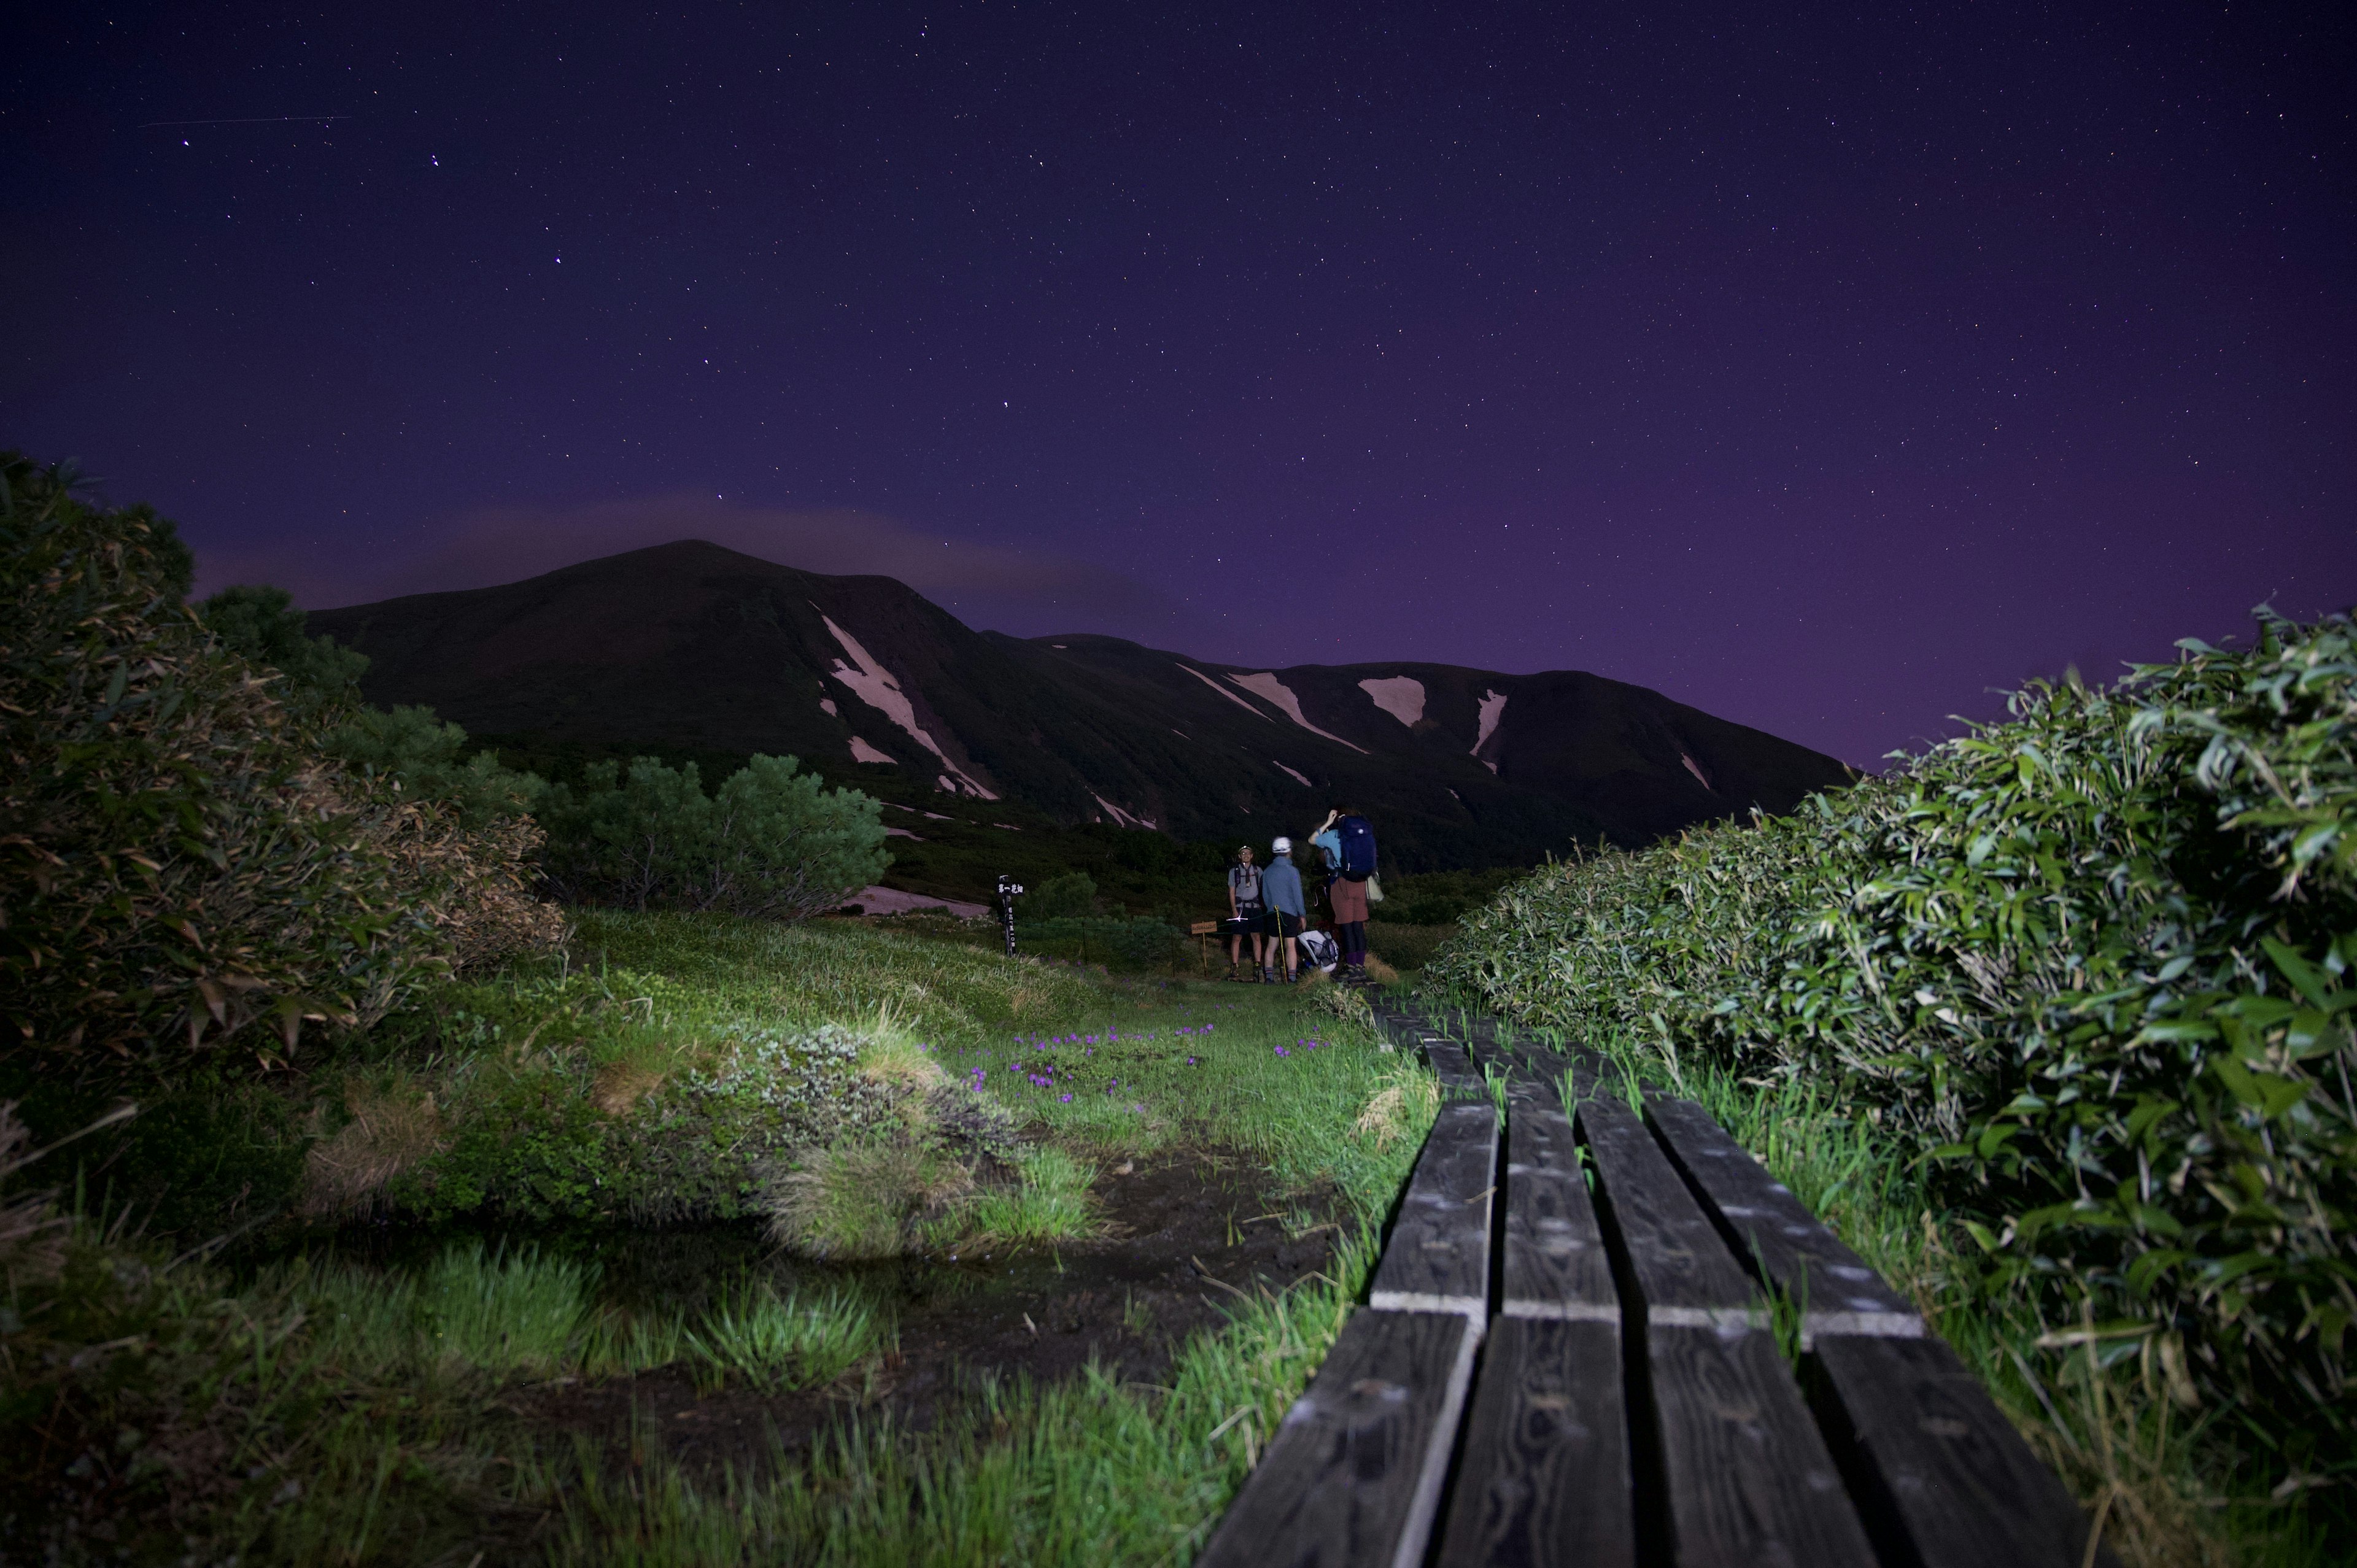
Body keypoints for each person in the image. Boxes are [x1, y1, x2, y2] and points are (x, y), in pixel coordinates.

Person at [1324, 803, 1375, 983]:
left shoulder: (1334, 835)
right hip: (1361, 882)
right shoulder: (1362, 834)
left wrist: (1327, 823)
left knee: (1347, 928)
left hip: (1342, 883)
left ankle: (1352, 968)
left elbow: (1313, 840)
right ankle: (1361, 967)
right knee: (1358, 928)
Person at [1260, 836, 1307, 983]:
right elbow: (1297, 895)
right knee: (1290, 945)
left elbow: (1265, 895)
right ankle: (1292, 978)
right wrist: (1302, 914)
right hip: (1290, 913)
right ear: (1288, 851)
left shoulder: (1267, 871)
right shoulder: (1292, 871)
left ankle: (1268, 978)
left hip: (1273, 912)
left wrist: (1270, 908)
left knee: (1271, 945)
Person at [1224, 844, 1267, 981]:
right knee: (1237, 937)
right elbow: (1232, 892)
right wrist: (1234, 910)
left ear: (1252, 856)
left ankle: (1257, 965)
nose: (1246, 855)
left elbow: (1264, 889)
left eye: (1248, 853)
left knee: (1256, 937)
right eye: (1243, 853)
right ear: (1239, 856)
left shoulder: (1258, 870)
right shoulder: (1234, 871)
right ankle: (1235, 966)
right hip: (1240, 907)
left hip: (1255, 908)